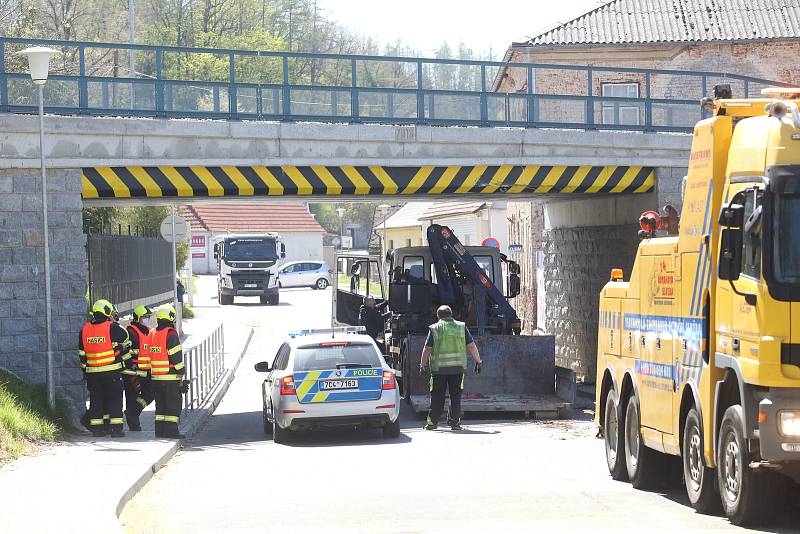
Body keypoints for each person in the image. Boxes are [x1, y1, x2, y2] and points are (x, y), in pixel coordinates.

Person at [419, 305, 482, 431]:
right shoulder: (461, 327)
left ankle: (432, 423)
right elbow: (471, 346)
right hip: (458, 368)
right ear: (451, 314)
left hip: (439, 370)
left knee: (437, 396)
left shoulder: (435, 328)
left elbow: (427, 349)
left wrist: (422, 365)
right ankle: (455, 423)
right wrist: (478, 361)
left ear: (438, 316)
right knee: (455, 396)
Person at [79, 299, 129, 438]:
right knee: (114, 399)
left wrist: (85, 371)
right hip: (111, 371)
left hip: (92, 374)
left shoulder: (84, 329)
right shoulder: (112, 327)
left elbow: (82, 355)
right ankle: (116, 429)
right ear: (107, 312)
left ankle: (97, 430)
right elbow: (125, 336)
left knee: (96, 401)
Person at [149, 305, 189, 439]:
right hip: (170, 376)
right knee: (173, 405)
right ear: (171, 317)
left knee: (160, 406)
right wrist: (181, 370)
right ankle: (171, 431)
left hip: (156, 377)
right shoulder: (171, 333)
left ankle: (159, 431)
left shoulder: (152, 333)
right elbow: (175, 355)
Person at [122, 305, 154, 431]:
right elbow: (126, 351)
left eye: (148, 317)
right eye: (145, 317)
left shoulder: (147, 330)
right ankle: (133, 424)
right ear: (138, 318)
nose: (147, 319)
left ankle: (132, 412)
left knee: (150, 393)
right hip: (133, 371)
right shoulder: (131, 332)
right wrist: (131, 366)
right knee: (131, 396)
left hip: (145, 371)